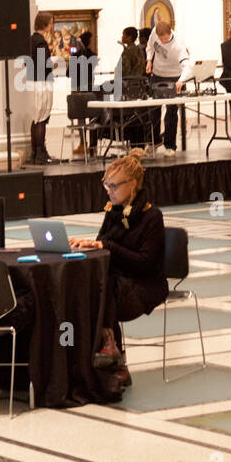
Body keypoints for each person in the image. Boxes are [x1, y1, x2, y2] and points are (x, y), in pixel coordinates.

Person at [69, 147, 168, 386]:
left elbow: (144, 263)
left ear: (132, 185)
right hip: (118, 282)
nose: (109, 192)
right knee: (96, 286)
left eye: (114, 186)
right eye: (107, 186)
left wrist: (107, 246)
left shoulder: (152, 217)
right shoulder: (113, 212)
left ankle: (114, 356)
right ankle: (105, 351)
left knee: (106, 289)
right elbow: (104, 245)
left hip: (146, 284)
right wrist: (86, 245)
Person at [145, 20, 193, 156]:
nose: (162, 41)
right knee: (153, 111)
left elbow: (187, 66)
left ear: (170, 33)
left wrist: (181, 80)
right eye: (160, 39)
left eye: (165, 38)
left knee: (171, 113)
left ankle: (170, 146)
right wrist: (149, 60)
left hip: (175, 76)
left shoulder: (179, 45)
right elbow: (150, 47)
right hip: (157, 75)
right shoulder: (155, 33)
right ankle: (154, 141)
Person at [24, 11, 57, 165]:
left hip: (32, 82)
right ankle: (41, 154)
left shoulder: (30, 40)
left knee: (36, 119)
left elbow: (27, 63)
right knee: (42, 119)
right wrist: (54, 63)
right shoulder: (41, 42)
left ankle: (35, 153)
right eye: (51, 23)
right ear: (46, 24)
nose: (52, 26)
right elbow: (45, 64)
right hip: (42, 83)